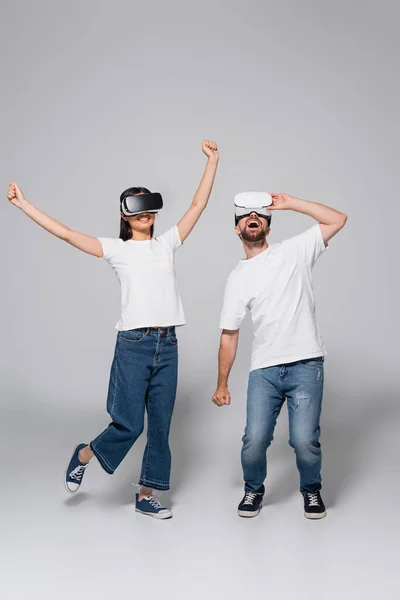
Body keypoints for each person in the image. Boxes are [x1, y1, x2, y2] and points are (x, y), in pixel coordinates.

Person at [7, 139, 219, 520]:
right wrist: (24, 205)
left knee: (161, 428)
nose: (146, 213)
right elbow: (68, 234)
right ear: (124, 214)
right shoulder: (117, 250)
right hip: (134, 344)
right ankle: (84, 454)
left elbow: (197, 206)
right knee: (128, 423)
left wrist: (213, 160)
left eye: (149, 205)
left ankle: (146, 495)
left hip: (167, 343)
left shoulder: (167, 244)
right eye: (136, 206)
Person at [212, 192, 347, 519]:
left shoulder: (295, 252)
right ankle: (253, 489)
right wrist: (222, 383)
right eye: (245, 216)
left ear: (268, 226)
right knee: (254, 440)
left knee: (304, 441)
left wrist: (290, 203)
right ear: (237, 229)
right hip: (265, 371)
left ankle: (311, 489)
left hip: (306, 364)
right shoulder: (237, 278)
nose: (252, 218)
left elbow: (337, 219)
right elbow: (229, 334)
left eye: (259, 215)